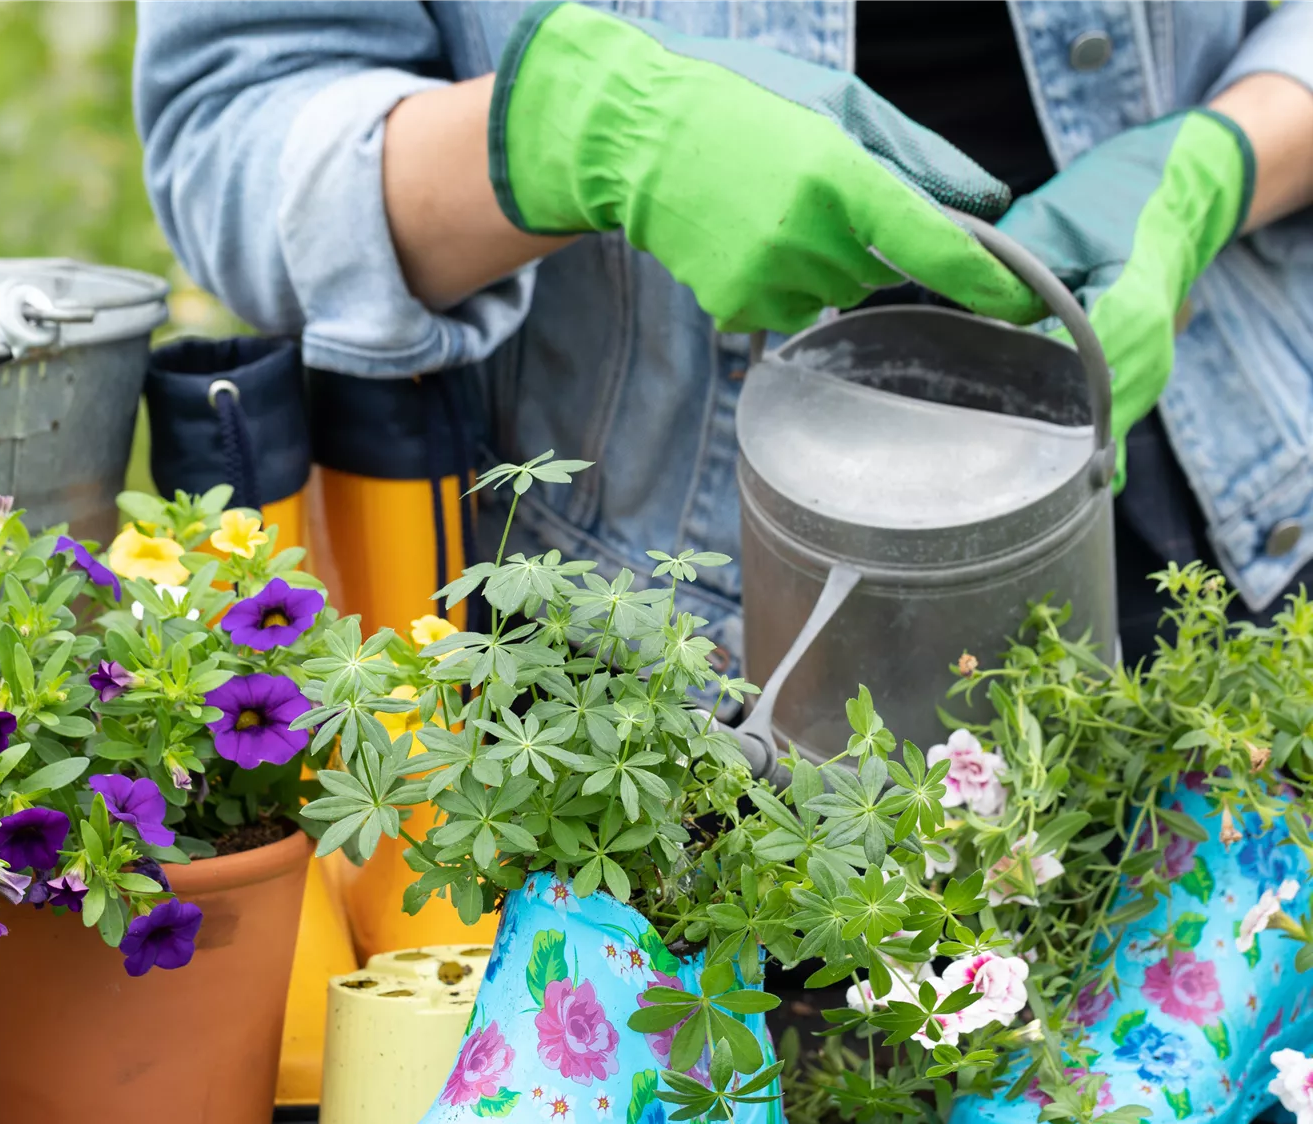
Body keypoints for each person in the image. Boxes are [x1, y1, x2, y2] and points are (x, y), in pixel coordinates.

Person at [135, 0, 1313, 667]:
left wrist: (1227, 159)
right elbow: (227, 142)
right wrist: (563, 140)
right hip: (649, 650)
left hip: (1227, 534)